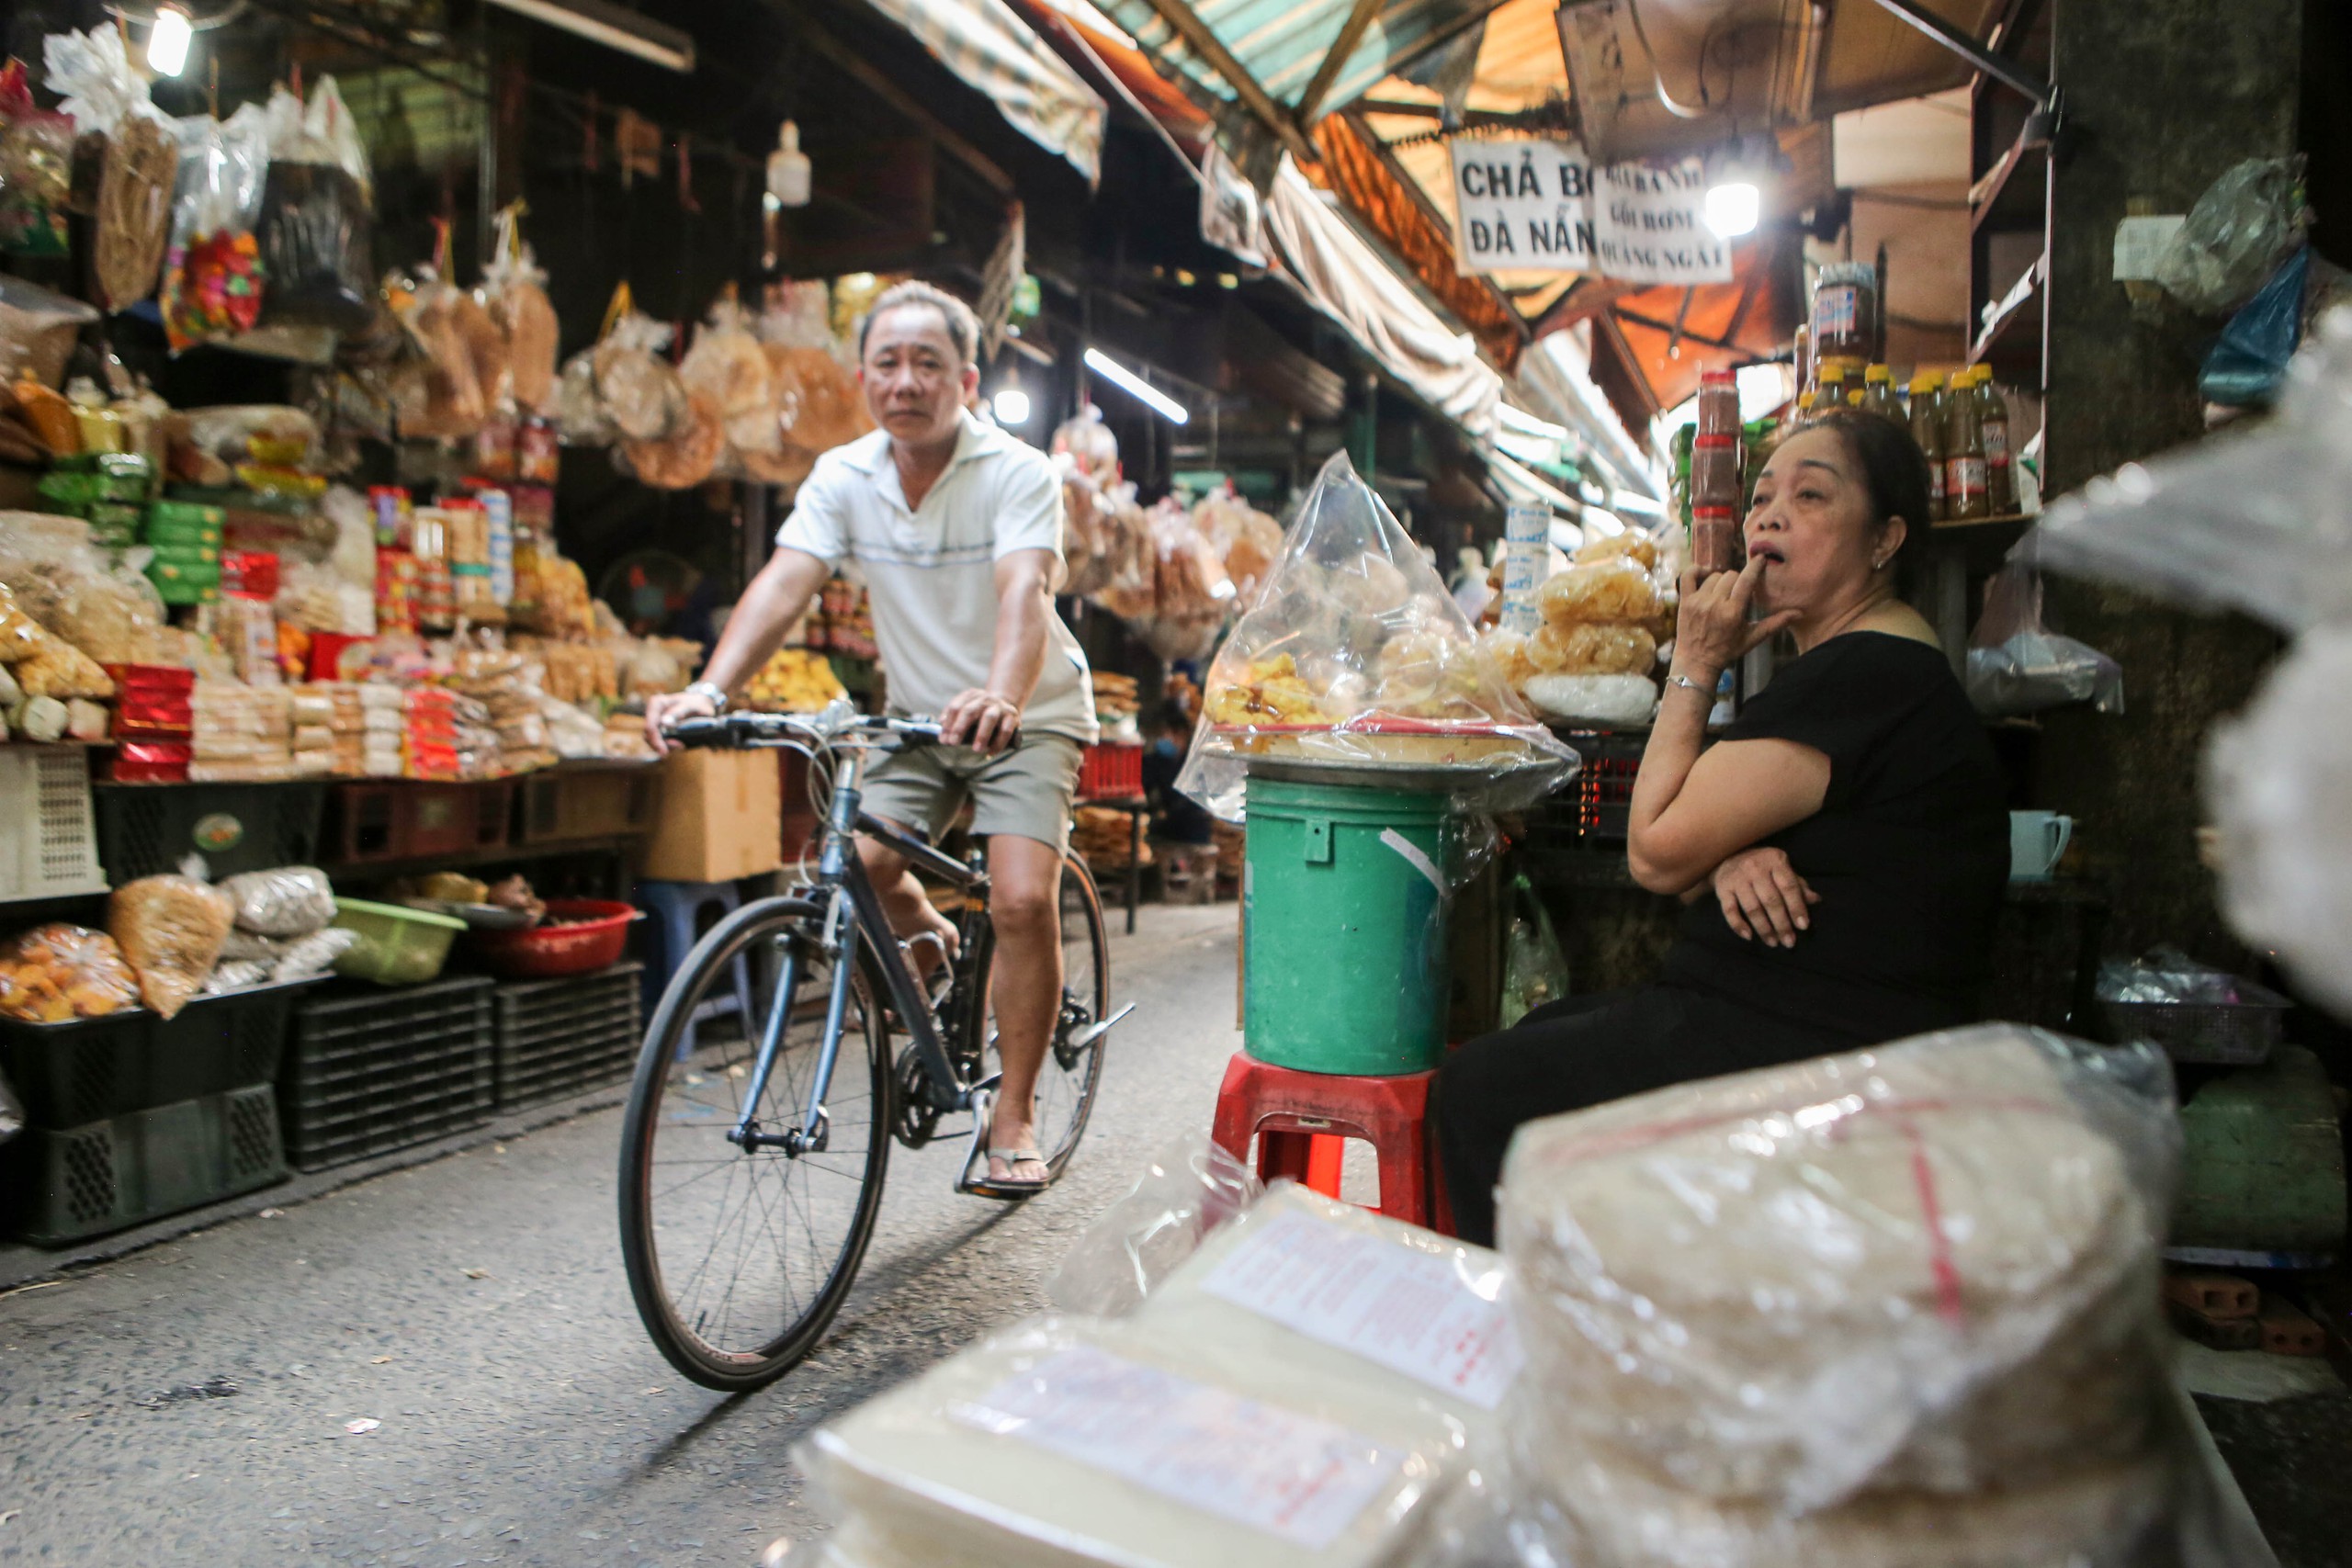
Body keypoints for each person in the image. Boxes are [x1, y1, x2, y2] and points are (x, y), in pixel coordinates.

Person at [1434, 408, 2009, 1247]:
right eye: (1764, 494)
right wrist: (1732, 850)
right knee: (1542, 1034)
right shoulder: (1873, 666)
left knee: (1482, 1087)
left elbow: (1656, 851)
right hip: (1798, 1018)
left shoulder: (1865, 672)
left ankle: (1532, 1341)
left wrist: (1698, 662)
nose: (1771, 514)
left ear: (1885, 539)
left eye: (1812, 496)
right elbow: (1728, 832)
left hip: (1815, 1041)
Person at [646, 280, 1097, 1198]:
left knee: (1015, 898)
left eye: (927, 364)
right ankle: (931, 952)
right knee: (847, 866)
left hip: (1027, 709)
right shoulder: (843, 476)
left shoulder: (1017, 472)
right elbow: (784, 583)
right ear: (863, 378)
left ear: (965, 379)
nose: (905, 382)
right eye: (887, 363)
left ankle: (1011, 1115)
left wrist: (1004, 695)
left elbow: (1026, 594)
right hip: (919, 716)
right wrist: (707, 688)